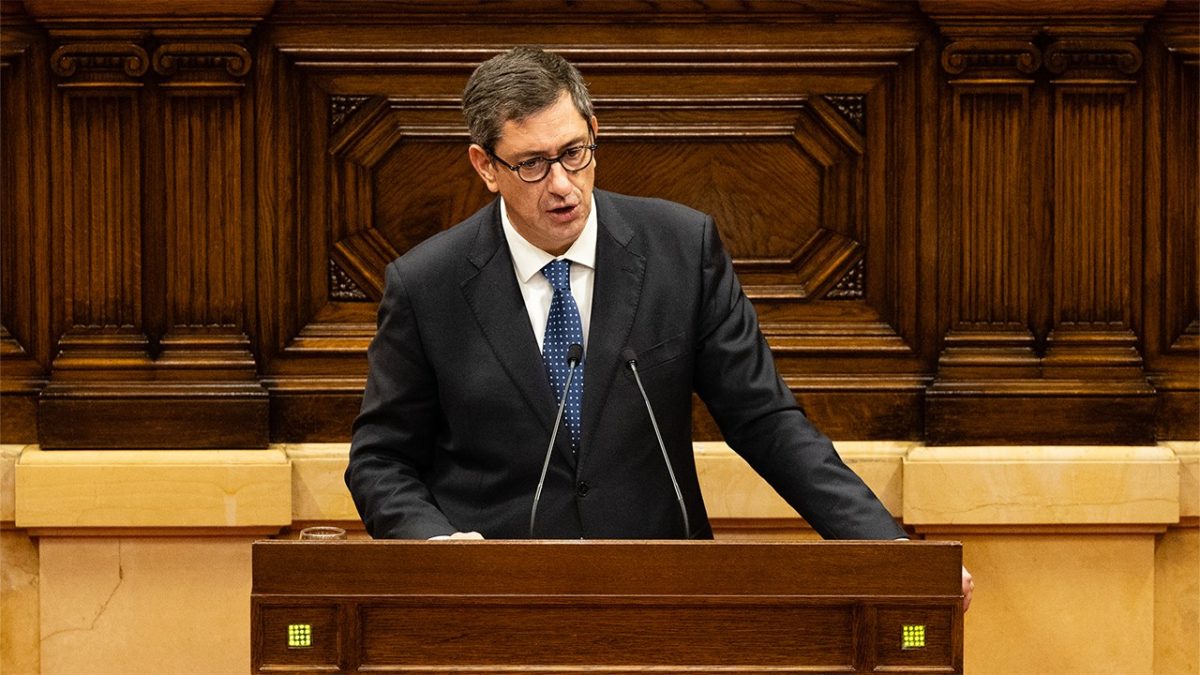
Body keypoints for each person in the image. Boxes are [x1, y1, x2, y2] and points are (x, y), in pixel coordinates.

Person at [345, 46, 972, 609]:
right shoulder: (426, 284)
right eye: (532, 164)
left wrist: (889, 549)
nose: (562, 185)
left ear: (594, 132)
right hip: (495, 599)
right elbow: (381, 459)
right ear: (486, 166)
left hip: (664, 589)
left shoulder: (681, 248)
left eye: (573, 153)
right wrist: (435, 547)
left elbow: (764, 420)